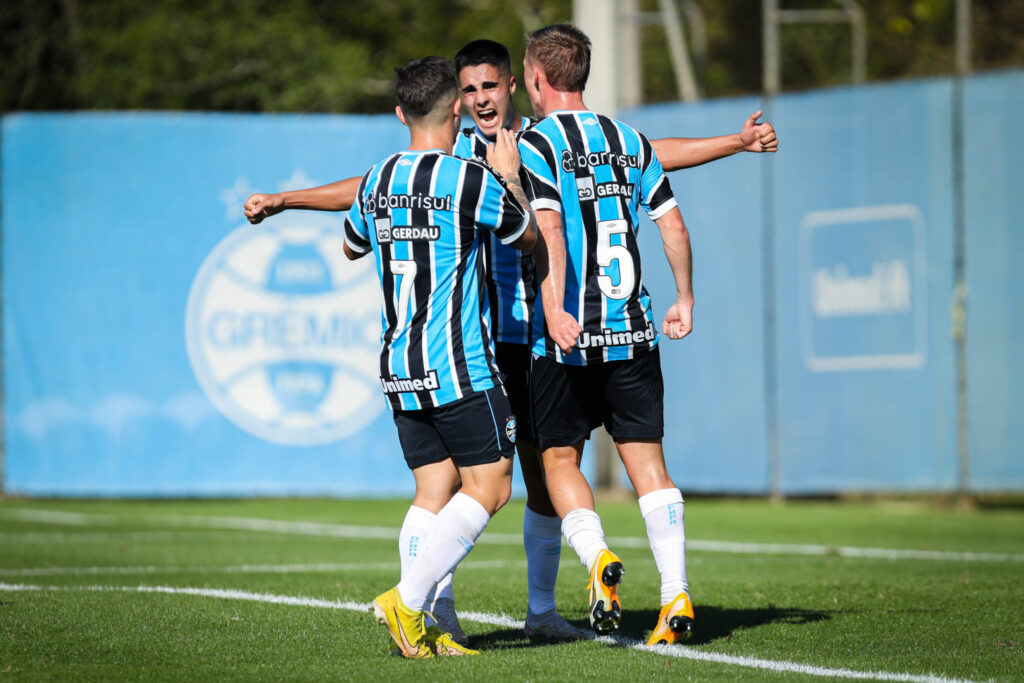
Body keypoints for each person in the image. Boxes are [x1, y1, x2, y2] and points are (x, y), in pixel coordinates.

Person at [243, 39, 778, 644]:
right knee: (467, 482)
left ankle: (539, 613)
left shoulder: (540, 141)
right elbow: (366, 188)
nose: (479, 101)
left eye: (489, 87)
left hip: (541, 339)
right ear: (456, 102)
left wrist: (733, 143)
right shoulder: (464, 156)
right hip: (494, 341)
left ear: (514, 85)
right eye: (468, 91)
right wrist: (290, 200)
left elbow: (656, 156)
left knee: (542, 477)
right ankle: (433, 610)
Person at [343, 55, 536, 658]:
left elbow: (352, 245)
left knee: (434, 490)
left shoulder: (377, 179)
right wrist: (508, 177)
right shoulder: (466, 178)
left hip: (400, 365)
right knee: (493, 487)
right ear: (455, 108)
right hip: (459, 365)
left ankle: (423, 625)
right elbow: (526, 236)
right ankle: (407, 599)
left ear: (401, 113)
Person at [517, 23, 695, 646]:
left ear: (537, 77)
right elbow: (671, 223)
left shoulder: (536, 143)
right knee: (649, 463)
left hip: (567, 337)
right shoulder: (629, 140)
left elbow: (552, 229)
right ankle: (675, 598)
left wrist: (555, 305)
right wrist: (685, 298)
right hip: (634, 331)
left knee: (559, 458)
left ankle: (596, 561)